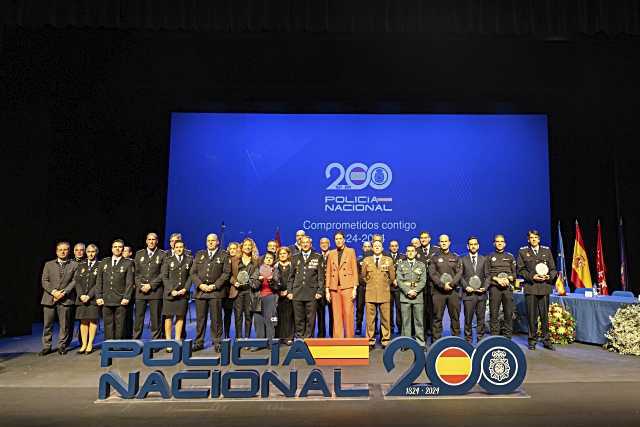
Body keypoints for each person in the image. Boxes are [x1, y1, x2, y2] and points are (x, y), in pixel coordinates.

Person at [517, 230, 558, 351]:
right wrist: (532, 277)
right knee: (531, 316)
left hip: (544, 287)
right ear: (528, 239)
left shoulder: (546, 250)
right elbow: (520, 269)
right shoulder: (523, 251)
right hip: (531, 287)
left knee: (545, 316)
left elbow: (553, 269)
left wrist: (549, 276)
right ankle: (532, 340)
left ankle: (546, 340)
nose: (534, 239)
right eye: (531, 237)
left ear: (539, 239)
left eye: (536, 237)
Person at [191, 233, 231, 352]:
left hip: (216, 292)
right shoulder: (199, 254)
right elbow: (193, 273)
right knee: (200, 319)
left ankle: (217, 342)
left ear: (218, 242)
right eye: (208, 240)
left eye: (213, 240)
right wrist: (201, 285)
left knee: (216, 319)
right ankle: (198, 342)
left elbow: (226, 273)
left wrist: (215, 285)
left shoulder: (223, 255)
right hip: (201, 292)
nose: (210, 242)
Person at [40, 241, 78, 356]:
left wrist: (64, 293)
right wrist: (54, 292)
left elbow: (75, 281)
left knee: (64, 325)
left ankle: (62, 346)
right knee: (47, 325)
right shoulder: (48, 264)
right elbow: (44, 281)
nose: (63, 252)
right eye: (60, 249)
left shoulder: (74, 265)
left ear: (69, 251)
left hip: (65, 299)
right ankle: (47, 346)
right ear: (56, 251)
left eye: (65, 249)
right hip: (49, 298)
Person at [96, 239, 134, 340]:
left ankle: (118, 345)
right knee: (107, 324)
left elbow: (129, 282)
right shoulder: (104, 262)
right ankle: (108, 346)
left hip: (121, 299)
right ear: (112, 249)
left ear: (123, 249)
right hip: (106, 298)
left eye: (120, 247)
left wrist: (127, 297)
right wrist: (98, 296)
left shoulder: (127, 263)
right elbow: (99, 281)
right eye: (115, 247)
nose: (117, 249)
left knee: (120, 324)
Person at [360, 241, 396, 349]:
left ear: (382, 248)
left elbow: (392, 277)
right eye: (375, 246)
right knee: (370, 320)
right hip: (370, 293)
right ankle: (370, 341)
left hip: (384, 293)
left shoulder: (388, 260)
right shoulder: (366, 260)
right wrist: (371, 283)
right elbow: (363, 276)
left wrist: (384, 284)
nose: (377, 247)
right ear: (372, 248)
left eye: (379, 246)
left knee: (385, 319)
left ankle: (385, 340)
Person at [288, 236, 324, 339]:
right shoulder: (294, 257)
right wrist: (290, 291)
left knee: (310, 319)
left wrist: (320, 291)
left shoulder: (318, 257)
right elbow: (291, 276)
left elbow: (321, 277)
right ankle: (299, 339)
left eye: (307, 242)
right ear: (300, 244)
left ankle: (308, 339)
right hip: (297, 293)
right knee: (298, 318)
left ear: (311, 244)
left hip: (312, 293)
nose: (305, 244)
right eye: (303, 242)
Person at [325, 231, 359, 338]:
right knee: (336, 315)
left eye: (340, 238)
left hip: (347, 286)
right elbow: (329, 272)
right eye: (336, 239)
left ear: (344, 239)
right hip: (334, 288)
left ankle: (349, 339)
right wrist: (327, 290)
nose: (338, 240)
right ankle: (338, 340)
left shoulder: (350, 251)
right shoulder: (331, 253)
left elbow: (354, 269)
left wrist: (355, 288)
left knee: (348, 314)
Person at [428, 234, 462, 341]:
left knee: (455, 317)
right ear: (439, 243)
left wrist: (451, 285)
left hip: (453, 292)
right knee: (437, 318)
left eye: (445, 241)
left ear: (449, 242)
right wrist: (442, 285)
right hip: (438, 292)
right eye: (441, 241)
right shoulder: (434, 258)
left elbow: (459, 272)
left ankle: (456, 340)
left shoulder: (456, 257)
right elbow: (432, 274)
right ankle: (436, 341)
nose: (443, 243)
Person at [483, 234, 517, 340]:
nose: (499, 243)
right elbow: (487, 274)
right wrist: (497, 279)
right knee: (494, 314)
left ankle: (507, 337)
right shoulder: (489, 257)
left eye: (501, 241)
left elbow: (515, 274)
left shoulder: (510, 257)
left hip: (507, 288)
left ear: (505, 243)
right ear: (494, 243)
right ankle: (495, 337)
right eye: (497, 241)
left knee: (508, 313)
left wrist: (508, 279)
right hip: (494, 288)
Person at [133, 233, 166, 340]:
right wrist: (140, 285)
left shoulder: (162, 254)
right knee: (138, 317)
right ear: (146, 241)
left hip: (155, 291)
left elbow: (163, 274)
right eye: (149, 239)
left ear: (157, 241)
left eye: (153, 239)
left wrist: (151, 285)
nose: (151, 241)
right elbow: (136, 273)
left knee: (155, 318)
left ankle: (155, 341)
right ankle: (135, 340)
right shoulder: (139, 254)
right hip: (141, 290)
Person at [162, 240, 193, 352]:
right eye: (177, 247)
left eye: (181, 247)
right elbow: (164, 277)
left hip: (183, 294)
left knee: (180, 317)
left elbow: (191, 276)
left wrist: (185, 289)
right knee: (168, 317)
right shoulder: (167, 260)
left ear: (184, 248)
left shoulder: (189, 260)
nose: (179, 249)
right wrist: (171, 290)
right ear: (173, 248)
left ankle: (177, 339)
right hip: (170, 294)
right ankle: (169, 341)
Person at [397, 245, 427, 348]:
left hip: (418, 297)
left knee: (419, 321)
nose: (410, 253)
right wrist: (408, 291)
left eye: (412, 251)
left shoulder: (421, 265)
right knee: (405, 322)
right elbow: (399, 281)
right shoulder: (401, 265)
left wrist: (415, 291)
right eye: (408, 251)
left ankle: (420, 342)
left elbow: (423, 280)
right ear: (406, 253)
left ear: (415, 253)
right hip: (405, 297)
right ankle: (406, 343)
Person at [229, 238, 260, 338]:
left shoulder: (256, 261)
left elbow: (257, 275)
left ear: (252, 248)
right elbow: (229, 275)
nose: (247, 247)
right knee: (238, 316)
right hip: (238, 292)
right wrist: (234, 282)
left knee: (248, 316)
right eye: (245, 245)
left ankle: (246, 338)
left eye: (249, 245)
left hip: (250, 291)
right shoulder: (234, 260)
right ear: (241, 247)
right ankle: (238, 339)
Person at [73, 243, 100, 354]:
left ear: (96, 252)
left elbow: (98, 283)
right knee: (83, 322)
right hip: (81, 298)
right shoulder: (81, 265)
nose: (90, 254)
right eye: (88, 252)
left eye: (93, 251)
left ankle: (90, 344)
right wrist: (81, 295)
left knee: (92, 321)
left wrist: (89, 295)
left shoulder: (100, 265)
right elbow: (77, 282)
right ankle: (83, 344)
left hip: (92, 299)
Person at [460, 236, 487, 343]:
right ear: (468, 246)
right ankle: (468, 340)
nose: (473, 246)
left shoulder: (484, 259)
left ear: (478, 246)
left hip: (481, 295)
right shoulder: (462, 259)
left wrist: (484, 288)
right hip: (468, 295)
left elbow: (488, 276)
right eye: (471, 244)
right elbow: (460, 276)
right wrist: (466, 286)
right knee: (468, 319)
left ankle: (481, 340)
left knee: (481, 319)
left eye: (475, 244)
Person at [416, 231, 440, 343]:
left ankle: (435, 336)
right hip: (421, 287)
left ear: (429, 239)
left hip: (434, 286)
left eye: (425, 238)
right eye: (421, 238)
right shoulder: (416, 251)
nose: (423, 239)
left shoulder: (437, 250)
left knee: (434, 311)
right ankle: (423, 335)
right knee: (422, 311)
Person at [251, 252, 279, 347]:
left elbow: (277, 287)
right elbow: (253, 285)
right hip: (257, 299)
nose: (268, 259)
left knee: (270, 321)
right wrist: (259, 280)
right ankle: (259, 343)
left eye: (271, 258)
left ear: (273, 260)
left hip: (270, 298)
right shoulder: (257, 269)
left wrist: (271, 281)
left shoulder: (275, 270)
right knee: (258, 321)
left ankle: (271, 344)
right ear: (264, 259)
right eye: (267, 258)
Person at [274, 247, 294, 345]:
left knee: (289, 316)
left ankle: (288, 337)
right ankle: (279, 337)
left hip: (290, 295)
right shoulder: (275, 266)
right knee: (278, 316)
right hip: (278, 295)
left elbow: (295, 280)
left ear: (288, 254)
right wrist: (278, 292)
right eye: (280, 253)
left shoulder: (292, 266)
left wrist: (289, 291)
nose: (282, 255)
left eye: (284, 253)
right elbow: (273, 282)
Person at [386, 240, 405, 335]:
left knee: (399, 309)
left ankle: (400, 328)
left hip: (399, 287)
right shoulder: (385, 257)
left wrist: (397, 280)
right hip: (388, 287)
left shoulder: (403, 257)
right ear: (389, 247)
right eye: (392, 246)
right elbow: (384, 272)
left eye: (395, 246)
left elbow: (404, 271)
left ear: (398, 247)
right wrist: (391, 279)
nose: (394, 247)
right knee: (388, 309)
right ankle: (390, 328)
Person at [316, 237, 333, 337]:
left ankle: (332, 334)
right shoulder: (317, 257)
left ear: (329, 244)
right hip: (320, 288)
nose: (324, 244)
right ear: (319, 245)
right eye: (322, 243)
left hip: (332, 288)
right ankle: (321, 334)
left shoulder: (334, 255)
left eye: (326, 242)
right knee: (320, 313)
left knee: (333, 313)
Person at [222, 242, 239, 338]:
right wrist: (233, 281)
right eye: (230, 248)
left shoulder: (239, 260)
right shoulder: (225, 259)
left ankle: (239, 337)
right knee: (227, 315)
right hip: (227, 291)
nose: (232, 250)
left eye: (234, 248)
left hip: (237, 290)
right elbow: (226, 274)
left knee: (238, 316)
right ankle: (226, 336)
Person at [355, 241, 372, 335]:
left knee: (373, 308)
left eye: (369, 246)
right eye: (365, 246)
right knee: (360, 307)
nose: (367, 248)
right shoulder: (358, 260)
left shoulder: (375, 259)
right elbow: (356, 274)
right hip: (361, 287)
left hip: (372, 287)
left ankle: (373, 327)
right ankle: (358, 326)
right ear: (362, 248)